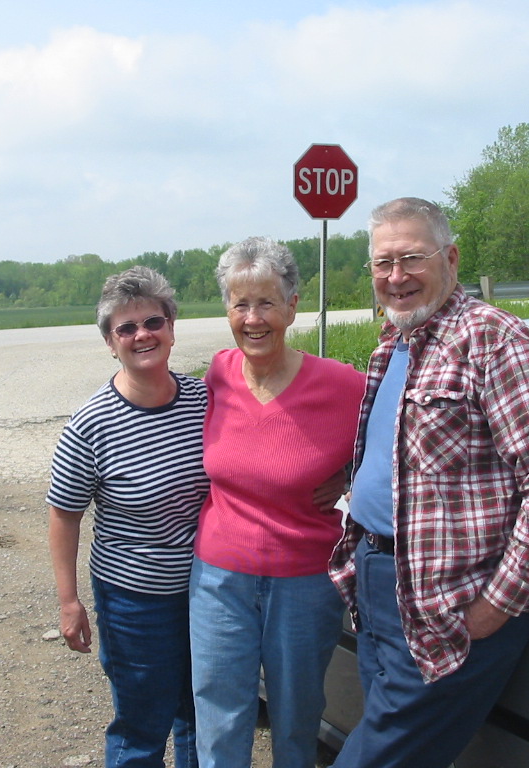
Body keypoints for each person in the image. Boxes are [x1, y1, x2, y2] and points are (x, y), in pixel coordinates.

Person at [328, 198, 529, 768]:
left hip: (452, 601)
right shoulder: (395, 343)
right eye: (382, 263)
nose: (395, 277)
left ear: (450, 258)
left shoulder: (493, 340)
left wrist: (496, 606)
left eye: (410, 258)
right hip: (381, 581)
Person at [189, 237, 366, 768]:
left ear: (292, 306)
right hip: (219, 576)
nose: (253, 318)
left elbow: (397, 443)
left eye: (266, 302)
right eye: (240, 304)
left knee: (297, 716)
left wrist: (347, 473)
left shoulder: (343, 385)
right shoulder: (218, 374)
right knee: (220, 714)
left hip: (306, 582)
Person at [47, 266, 208, 768]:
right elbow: (64, 514)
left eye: (153, 321)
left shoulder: (205, 400)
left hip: (208, 592)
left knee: (200, 715)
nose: (143, 334)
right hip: (134, 601)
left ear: (173, 327)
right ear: (110, 343)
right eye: (126, 327)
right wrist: (69, 600)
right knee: (143, 722)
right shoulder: (91, 424)